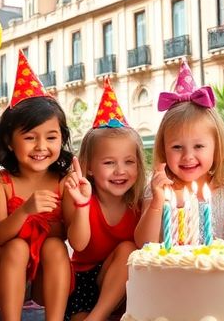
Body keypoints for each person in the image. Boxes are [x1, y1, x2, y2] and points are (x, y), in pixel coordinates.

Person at [0, 52, 74, 321]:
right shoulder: (1, 182)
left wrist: (78, 203)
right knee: (16, 247)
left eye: (51, 137)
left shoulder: (63, 181)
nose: (41, 147)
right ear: (10, 142)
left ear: (61, 139)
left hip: (45, 282)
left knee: (55, 246)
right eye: (29, 137)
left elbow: (71, 235)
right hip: (6, 276)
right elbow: (0, 236)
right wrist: (26, 211)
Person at [135, 61, 224, 245]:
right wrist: (157, 202)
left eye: (198, 146)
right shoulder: (159, 190)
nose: (188, 156)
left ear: (216, 147)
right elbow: (144, 243)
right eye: (177, 147)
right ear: (163, 149)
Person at [63, 80, 145, 321]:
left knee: (128, 249)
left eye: (129, 162)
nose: (120, 170)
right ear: (88, 167)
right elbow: (78, 245)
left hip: (128, 287)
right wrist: (80, 206)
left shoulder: (140, 202)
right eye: (109, 163)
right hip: (85, 283)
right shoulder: (80, 196)